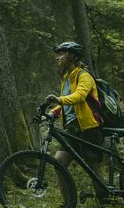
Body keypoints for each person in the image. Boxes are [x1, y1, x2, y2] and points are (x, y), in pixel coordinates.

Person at [43, 41, 104, 182]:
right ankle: (67, 204)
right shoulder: (66, 78)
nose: (57, 57)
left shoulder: (84, 75)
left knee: (92, 167)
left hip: (88, 128)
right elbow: (66, 102)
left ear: (72, 56)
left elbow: (79, 96)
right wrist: (52, 113)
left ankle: (105, 201)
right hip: (72, 128)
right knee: (59, 162)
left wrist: (59, 100)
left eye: (61, 54)